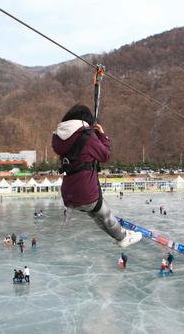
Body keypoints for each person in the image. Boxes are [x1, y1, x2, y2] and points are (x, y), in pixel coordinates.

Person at [52, 104, 142, 248]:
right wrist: (101, 135)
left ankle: (120, 236)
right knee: (106, 216)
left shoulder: (58, 138)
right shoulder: (87, 137)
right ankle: (124, 238)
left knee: (97, 216)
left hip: (70, 193)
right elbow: (105, 155)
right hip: (87, 190)